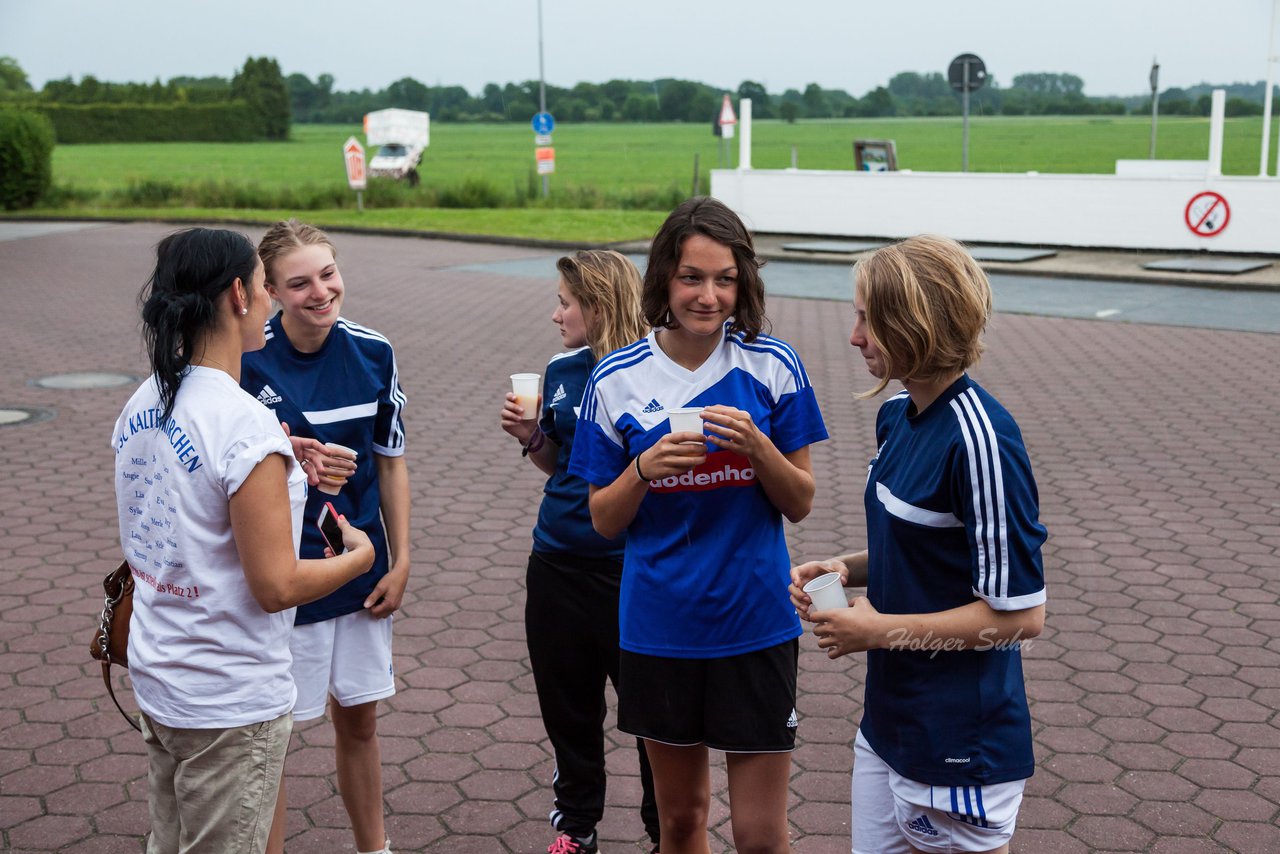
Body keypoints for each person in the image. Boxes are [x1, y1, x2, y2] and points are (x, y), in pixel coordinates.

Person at [570, 197, 829, 854]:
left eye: (724, 279)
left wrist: (759, 449)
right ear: (664, 278)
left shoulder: (773, 365)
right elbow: (603, 519)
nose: (708, 295)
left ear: (743, 283)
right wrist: (644, 470)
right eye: (692, 277)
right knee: (681, 820)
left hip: (756, 624)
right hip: (661, 628)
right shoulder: (616, 378)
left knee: (761, 835)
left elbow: (799, 500)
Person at [113, 227, 375, 853]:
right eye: (264, 286)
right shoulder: (243, 425)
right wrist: (358, 559)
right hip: (228, 696)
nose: (267, 301)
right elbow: (277, 586)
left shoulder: (144, 401)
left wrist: (282, 455)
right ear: (239, 294)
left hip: (161, 675)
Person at [789, 235, 1047, 854]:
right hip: (888, 721)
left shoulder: (982, 442)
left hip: (958, 740)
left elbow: (1020, 618)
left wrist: (876, 631)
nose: (854, 338)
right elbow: (922, 550)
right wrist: (844, 569)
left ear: (916, 324)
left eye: (866, 320)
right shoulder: (897, 415)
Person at [241, 220, 410, 854]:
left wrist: (402, 561)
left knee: (361, 721)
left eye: (328, 274)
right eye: (299, 282)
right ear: (271, 292)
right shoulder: (244, 357)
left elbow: (390, 462)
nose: (320, 291)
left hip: (362, 566)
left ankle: (376, 849)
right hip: (285, 574)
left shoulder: (374, 351)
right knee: (276, 734)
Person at [500, 250, 661, 854]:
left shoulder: (653, 371)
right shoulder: (562, 369)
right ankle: (577, 826)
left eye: (565, 302)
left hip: (630, 567)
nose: (555, 313)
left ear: (597, 306)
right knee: (567, 706)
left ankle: (664, 827)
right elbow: (557, 460)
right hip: (556, 563)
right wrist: (533, 437)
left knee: (649, 712)